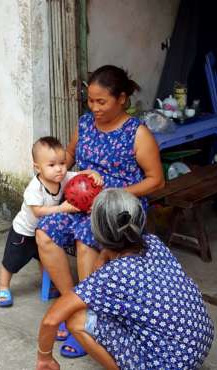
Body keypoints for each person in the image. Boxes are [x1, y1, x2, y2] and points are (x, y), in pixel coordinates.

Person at [36, 65, 165, 348]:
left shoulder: (137, 133)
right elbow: (70, 153)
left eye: (101, 101)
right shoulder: (84, 124)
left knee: (86, 241)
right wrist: (53, 173)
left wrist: (111, 195)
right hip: (81, 203)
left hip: (118, 210)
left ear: (121, 99)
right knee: (44, 231)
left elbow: (156, 181)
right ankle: (76, 307)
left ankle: (90, 320)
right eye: (90, 101)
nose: (94, 107)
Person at [36, 189, 214, 370]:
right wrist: (106, 250)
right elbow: (108, 263)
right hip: (197, 344)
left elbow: (51, 319)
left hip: (166, 364)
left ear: (97, 232)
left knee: (75, 318)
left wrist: (44, 358)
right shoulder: (153, 243)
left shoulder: (113, 275)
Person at [0, 136, 102, 307]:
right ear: (37, 167)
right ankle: (3, 287)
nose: (59, 169)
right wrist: (62, 208)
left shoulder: (62, 177)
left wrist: (93, 173)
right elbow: (38, 212)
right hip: (24, 232)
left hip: (42, 231)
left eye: (62, 163)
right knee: (11, 262)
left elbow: (82, 175)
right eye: (52, 165)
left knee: (45, 259)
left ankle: (51, 284)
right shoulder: (34, 188)